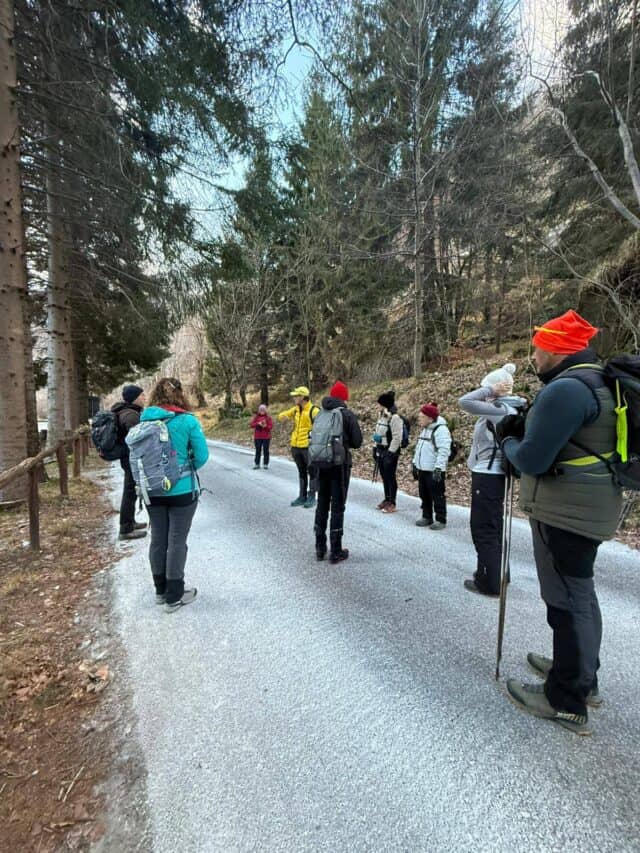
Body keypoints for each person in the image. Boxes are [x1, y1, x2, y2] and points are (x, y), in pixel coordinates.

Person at [498, 310, 623, 736]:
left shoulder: (567, 389)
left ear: (556, 348)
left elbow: (532, 458)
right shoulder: (597, 381)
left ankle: (565, 698)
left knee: (565, 601)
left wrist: (508, 440)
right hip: (588, 506)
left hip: (565, 512)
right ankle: (583, 674)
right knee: (581, 595)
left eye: (537, 347)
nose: (532, 355)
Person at [139, 377, 209, 613]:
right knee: (177, 540)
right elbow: (201, 456)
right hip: (181, 490)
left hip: (152, 489)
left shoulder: (144, 421)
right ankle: (174, 595)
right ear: (180, 395)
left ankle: (160, 591)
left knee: (158, 538)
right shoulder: (188, 421)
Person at [458, 364, 526, 597]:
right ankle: (499, 574)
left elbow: (464, 401)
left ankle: (489, 582)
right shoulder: (516, 407)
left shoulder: (499, 409)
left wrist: (489, 390)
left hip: (488, 474)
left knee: (484, 528)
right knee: (494, 526)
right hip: (498, 475)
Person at [313, 381, 363, 564]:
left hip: (321, 463)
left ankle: (320, 548)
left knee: (322, 504)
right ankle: (336, 551)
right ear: (344, 398)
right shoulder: (347, 415)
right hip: (339, 466)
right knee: (338, 506)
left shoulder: (320, 413)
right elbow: (357, 442)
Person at [111, 384, 147, 541]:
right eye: (142, 396)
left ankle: (130, 522)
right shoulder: (130, 415)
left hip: (127, 457)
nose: (144, 398)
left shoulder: (127, 411)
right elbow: (136, 438)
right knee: (130, 490)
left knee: (131, 489)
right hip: (130, 458)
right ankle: (125, 529)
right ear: (135, 398)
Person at [277, 386, 319, 508]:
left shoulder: (314, 410)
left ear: (302, 397)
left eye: (296, 396)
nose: (294, 398)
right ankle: (302, 496)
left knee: (312, 472)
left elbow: (322, 426)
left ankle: (312, 497)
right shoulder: (296, 410)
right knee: (301, 472)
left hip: (308, 447)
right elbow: (281, 416)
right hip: (295, 446)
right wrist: (283, 416)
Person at [412, 402, 451, 530]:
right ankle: (427, 516)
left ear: (430, 418)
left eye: (422, 417)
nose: (419, 419)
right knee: (424, 494)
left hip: (434, 470)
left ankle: (441, 519)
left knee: (437, 495)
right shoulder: (425, 429)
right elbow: (419, 448)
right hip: (423, 468)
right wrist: (415, 464)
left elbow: (444, 450)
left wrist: (439, 468)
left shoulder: (441, 430)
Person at [373, 391, 403, 513]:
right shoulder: (381, 416)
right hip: (381, 449)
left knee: (390, 477)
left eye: (379, 404)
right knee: (384, 476)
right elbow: (378, 433)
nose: (377, 406)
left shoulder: (395, 418)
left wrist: (391, 453)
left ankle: (392, 502)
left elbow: (397, 437)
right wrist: (375, 447)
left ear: (384, 404)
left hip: (389, 451)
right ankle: (387, 499)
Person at [250, 404, 273, 469]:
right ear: (259, 410)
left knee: (266, 450)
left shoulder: (268, 417)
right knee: (258, 450)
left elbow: (271, 427)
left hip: (266, 437)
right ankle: (257, 464)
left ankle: (265, 464)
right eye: (261, 409)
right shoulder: (256, 417)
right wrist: (258, 424)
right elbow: (251, 425)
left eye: (263, 409)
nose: (262, 411)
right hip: (257, 437)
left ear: (265, 410)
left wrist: (265, 426)